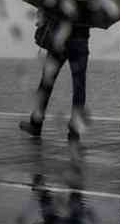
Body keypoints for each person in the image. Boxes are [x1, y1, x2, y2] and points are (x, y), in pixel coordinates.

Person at [19, 8, 91, 141]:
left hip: (60, 38)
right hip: (80, 40)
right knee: (79, 86)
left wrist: (44, 15)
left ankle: (36, 123)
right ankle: (75, 129)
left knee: (46, 82)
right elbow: (94, 16)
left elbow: (51, 7)